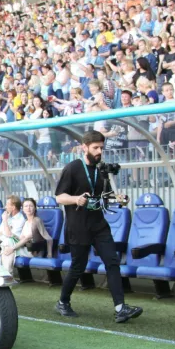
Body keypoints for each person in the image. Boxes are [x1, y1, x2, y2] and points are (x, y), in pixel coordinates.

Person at [54, 131, 143, 323]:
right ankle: (62, 302)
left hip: (99, 225)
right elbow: (59, 196)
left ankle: (120, 308)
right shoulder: (72, 168)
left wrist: (119, 199)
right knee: (78, 266)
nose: (99, 151)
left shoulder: (102, 171)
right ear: (84, 147)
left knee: (112, 261)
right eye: (95, 148)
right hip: (78, 226)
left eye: (101, 148)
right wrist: (76, 199)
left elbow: (104, 196)